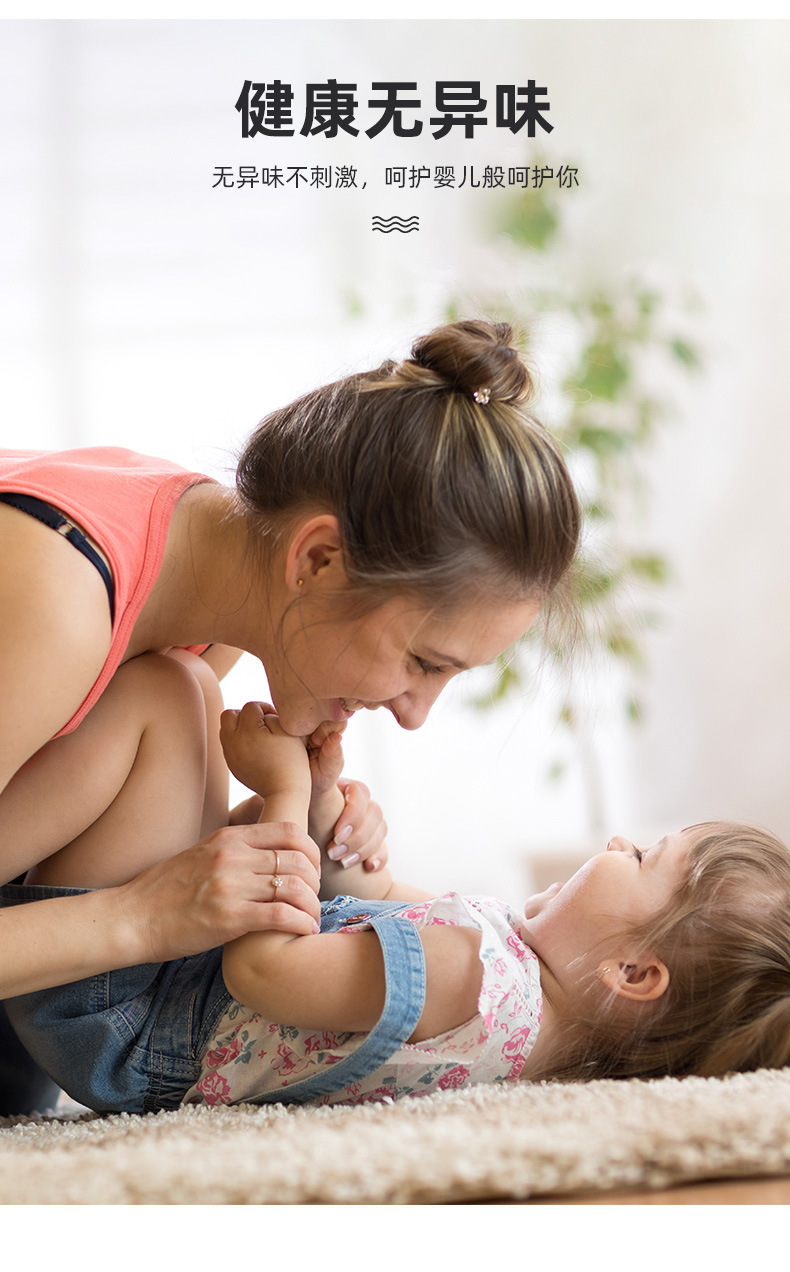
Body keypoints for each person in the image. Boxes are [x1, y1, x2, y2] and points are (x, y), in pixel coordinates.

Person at [0, 319, 582, 1112]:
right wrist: (139, 918)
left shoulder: (198, 580)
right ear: (317, 559)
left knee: (183, 694)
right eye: (423, 662)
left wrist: (268, 836)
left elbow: (68, 814)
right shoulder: (58, 601)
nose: (413, 717)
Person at [3, 690, 790, 1113]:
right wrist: (327, 815)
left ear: (632, 972)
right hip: (166, 977)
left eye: (645, 857)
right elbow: (363, 892)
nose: (620, 841)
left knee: (166, 698)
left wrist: (277, 786)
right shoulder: (516, 1001)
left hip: (126, 1017)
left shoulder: (471, 975)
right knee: (181, 711)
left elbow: (264, 971)